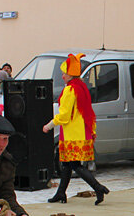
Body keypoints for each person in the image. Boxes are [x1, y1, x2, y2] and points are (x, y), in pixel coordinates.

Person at [44, 54, 109, 203]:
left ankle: (98, 188)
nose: (62, 76)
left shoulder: (70, 90)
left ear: (70, 74)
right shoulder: (82, 87)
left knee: (75, 165)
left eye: (64, 73)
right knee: (67, 165)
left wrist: (49, 125)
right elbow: (88, 112)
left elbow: (64, 116)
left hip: (72, 134)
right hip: (82, 132)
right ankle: (61, 193)